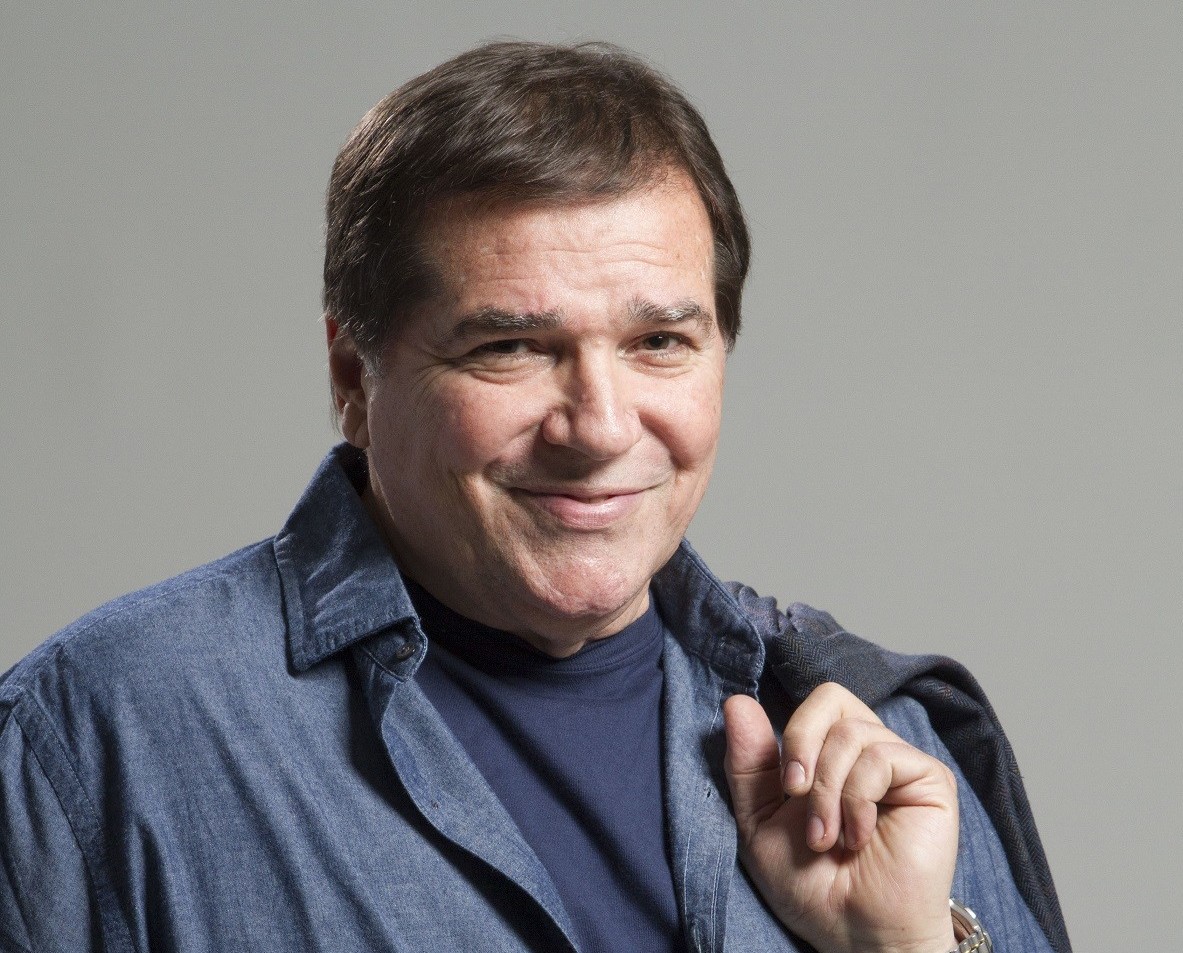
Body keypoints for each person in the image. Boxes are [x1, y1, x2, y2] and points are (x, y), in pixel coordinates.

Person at [0, 41, 1069, 953]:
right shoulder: (96, 741)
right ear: (352, 378)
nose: (598, 427)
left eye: (659, 341)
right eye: (510, 347)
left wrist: (906, 946)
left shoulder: (876, 754)